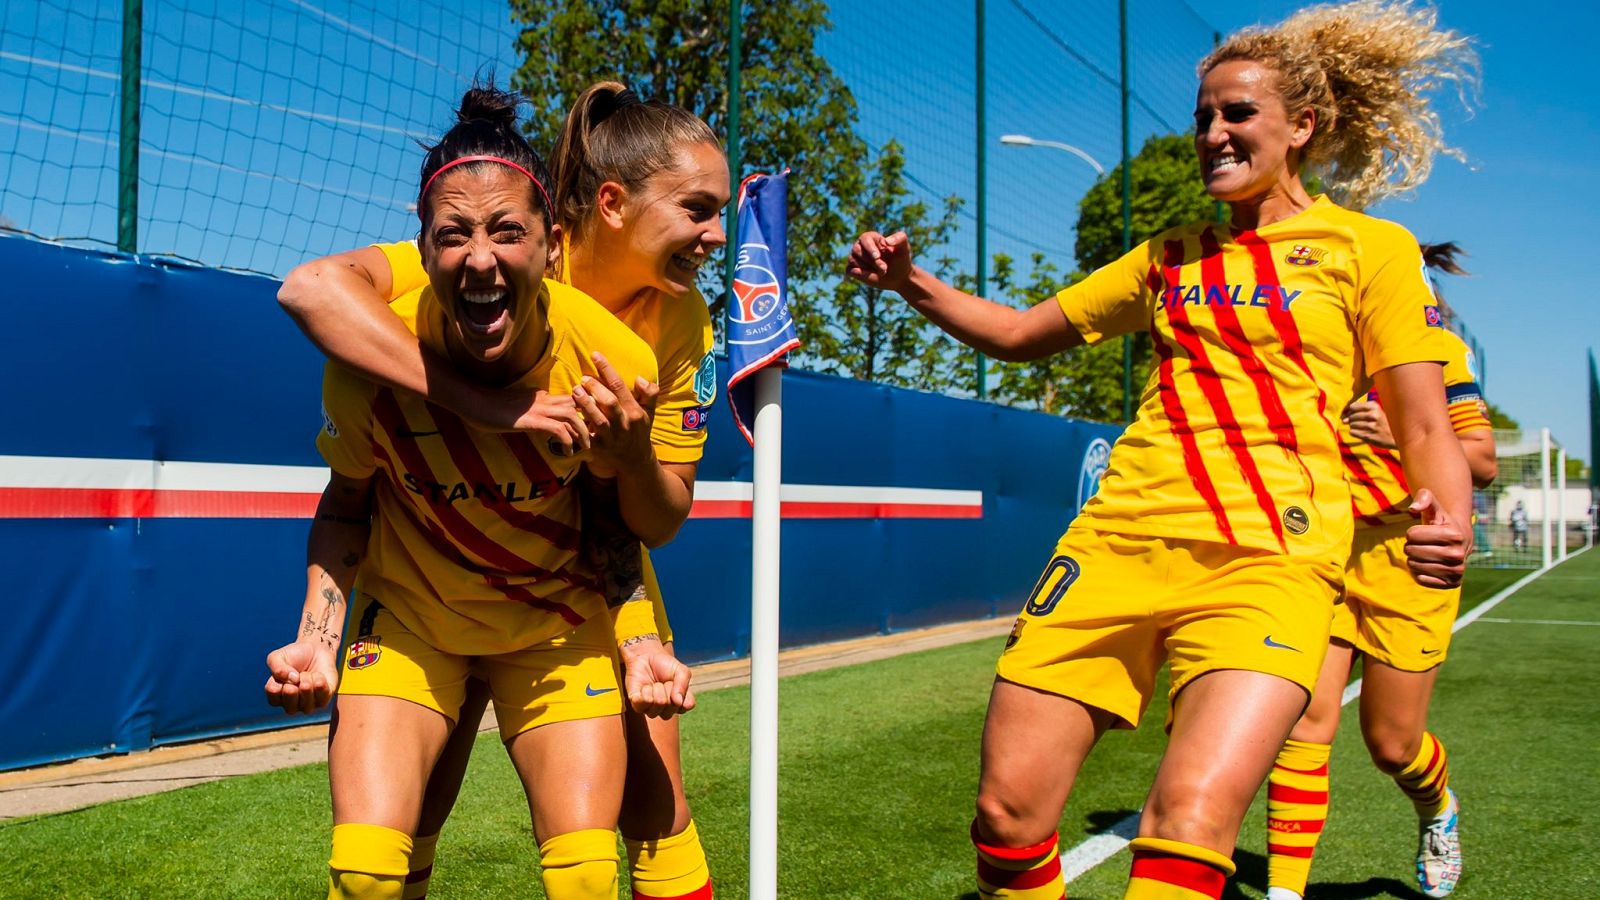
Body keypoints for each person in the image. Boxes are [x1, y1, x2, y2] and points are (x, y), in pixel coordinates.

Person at [845, 2, 1475, 896]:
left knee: (1189, 819)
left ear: (1303, 126)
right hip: (1115, 548)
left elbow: (1423, 423)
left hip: (1272, 561)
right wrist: (910, 280)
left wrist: (1449, 516)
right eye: (1203, 117)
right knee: (1006, 816)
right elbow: (1023, 331)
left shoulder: (1369, 250)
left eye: (1237, 115)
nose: (1213, 134)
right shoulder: (1168, 257)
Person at [276, 81, 726, 900]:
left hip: (560, 609)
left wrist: (628, 463)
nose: (714, 234)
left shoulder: (644, 344)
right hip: (421, 611)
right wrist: (500, 410)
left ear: (549, 244)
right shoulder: (444, 253)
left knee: (633, 834)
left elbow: (640, 521)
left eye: (508, 236)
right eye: (697, 208)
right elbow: (308, 291)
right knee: (374, 867)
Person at [1264, 242, 1496, 900]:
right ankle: (1285, 892)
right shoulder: (1313, 341)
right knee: (1303, 724)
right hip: (1326, 550)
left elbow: (1481, 461)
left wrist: (1401, 433)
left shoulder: (1438, 354)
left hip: (1411, 555)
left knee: (1392, 745)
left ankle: (1436, 808)